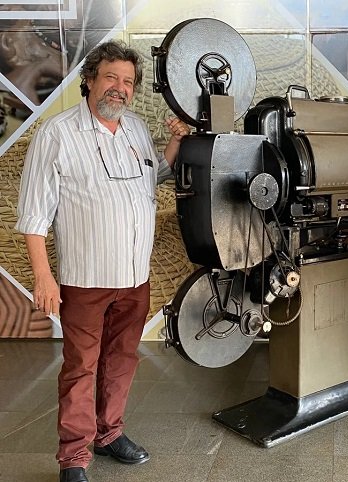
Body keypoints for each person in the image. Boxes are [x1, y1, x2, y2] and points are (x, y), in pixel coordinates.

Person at [15, 40, 190, 482]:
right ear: (90, 80)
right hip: (85, 279)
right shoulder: (57, 134)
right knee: (81, 367)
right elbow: (34, 214)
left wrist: (174, 143)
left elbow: (154, 176)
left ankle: (109, 433)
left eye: (128, 81)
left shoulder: (134, 129)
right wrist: (43, 277)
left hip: (134, 278)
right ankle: (74, 457)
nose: (120, 88)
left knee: (122, 359)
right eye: (111, 77)